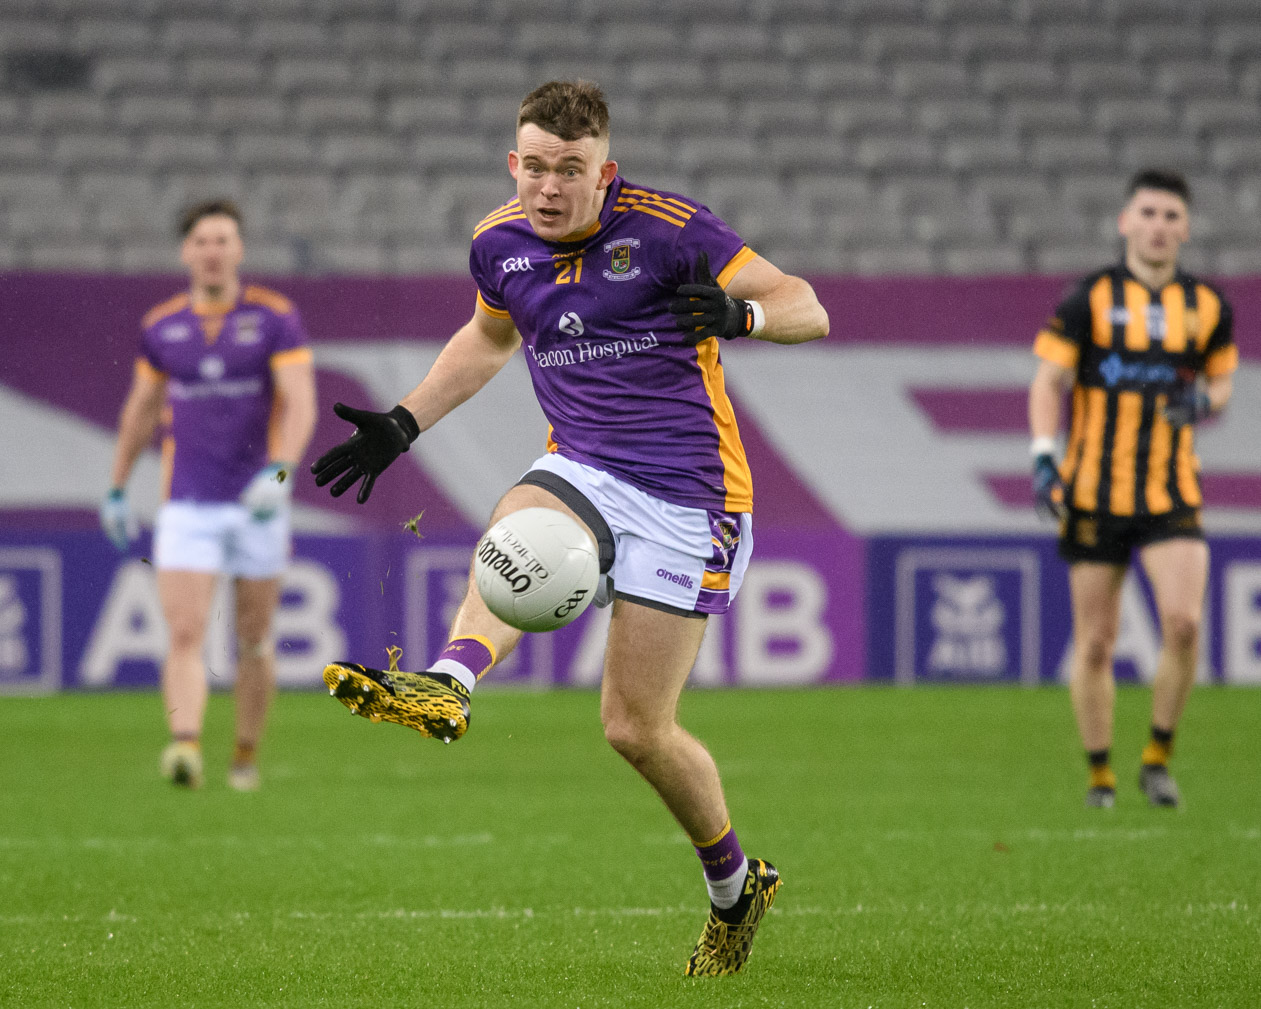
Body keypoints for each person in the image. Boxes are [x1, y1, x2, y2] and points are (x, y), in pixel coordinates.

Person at [311, 80, 828, 975]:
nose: (547, 188)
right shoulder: (498, 243)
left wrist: (743, 314)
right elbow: (485, 339)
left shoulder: (671, 229)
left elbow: (805, 305)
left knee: (634, 728)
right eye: (534, 168)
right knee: (517, 531)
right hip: (583, 465)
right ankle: (447, 683)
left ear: (605, 172)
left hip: (690, 497)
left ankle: (734, 886)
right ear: (515, 165)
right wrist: (404, 422)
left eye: (570, 171)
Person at [1028, 169, 1236, 809]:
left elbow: (1224, 385)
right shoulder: (1087, 297)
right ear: (1126, 221)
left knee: (1183, 622)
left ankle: (1157, 757)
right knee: (1095, 641)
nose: (1159, 226)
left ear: (1186, 228)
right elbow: (1048, 382)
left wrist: (1202, 399)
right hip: (1093, 493)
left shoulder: (1206, 306)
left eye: (1172, 216)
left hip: (1171, 493)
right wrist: (1044, 456)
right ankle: (1100, 775)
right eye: (1148, 213)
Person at [101, 198, 316, 791]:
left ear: (239, 249)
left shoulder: (275, 317)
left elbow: (300, 400)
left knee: (253, 638)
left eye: (223, 240)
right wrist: (117, 487)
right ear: (185, 252)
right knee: (187, 633)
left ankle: (244, 755)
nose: (213, 251)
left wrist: (282, 470)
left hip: (257, 505)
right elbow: (140, 411)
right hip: (188, 505)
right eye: (202, 241)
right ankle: (186, 746)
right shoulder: (161, 326)